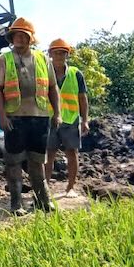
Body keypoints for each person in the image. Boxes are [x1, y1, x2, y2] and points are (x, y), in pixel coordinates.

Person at [0, 17, 61, 215]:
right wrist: (2, 117)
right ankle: (16, 204)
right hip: (15, 118)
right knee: (13, 162)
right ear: (12, 38)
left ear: (31, 39)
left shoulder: (42, 59)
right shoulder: (4, 59)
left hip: (39, 117)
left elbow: (53, 88)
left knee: (37, 161)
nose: (20, 39)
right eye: (16, 36)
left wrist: (57, 113)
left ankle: (43, 200)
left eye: (24, 36)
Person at [44, 39, 90, 197]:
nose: (59, 55)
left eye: (62, 52)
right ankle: (45, 189)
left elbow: (82, 99)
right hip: (49, 119)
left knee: (72, 153)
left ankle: (70, 187)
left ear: (67, 55)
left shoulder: (75, 73)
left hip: (70, 119)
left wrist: (85, 120)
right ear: (50, 54)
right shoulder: (44, 71)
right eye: (56, 52)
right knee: (48, 154)